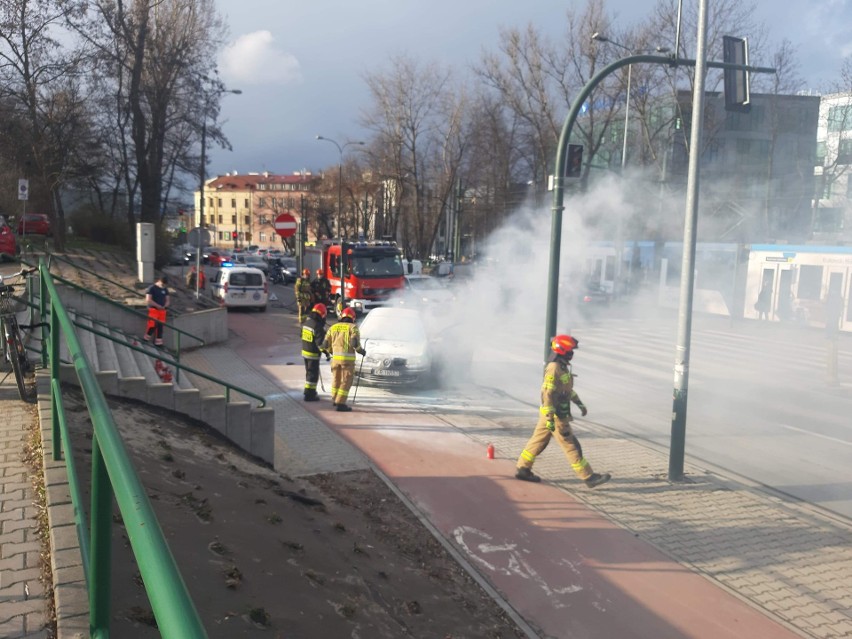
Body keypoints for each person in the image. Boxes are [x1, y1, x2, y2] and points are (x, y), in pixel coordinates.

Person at [515, 334, 611, 489]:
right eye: (570, 351)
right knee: (571, 445)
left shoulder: (562, 367)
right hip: (556, 416)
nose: (572, 354)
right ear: (562, 351)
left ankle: (523, 468)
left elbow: (566, 391)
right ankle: (588, 476)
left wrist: (579, 404)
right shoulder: (554, 369)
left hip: (550, 415)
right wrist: (550, 417)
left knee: (538, 441)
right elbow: (547, 393)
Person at [320, 307, 366, 412]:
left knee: (336, 379)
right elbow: (354, 343)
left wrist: (331, 351)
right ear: (353, 318)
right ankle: (340, 403)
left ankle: (335, 399)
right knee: (346, 381)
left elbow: (325, 344)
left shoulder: (333, 327)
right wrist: (361, 351)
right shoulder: (353, 328)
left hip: (335, 360)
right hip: (347, 360)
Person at [301, 303, 329, 401]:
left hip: (305, 352)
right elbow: (320, 344)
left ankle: (308, 391)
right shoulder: (317, 327)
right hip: (313, 354)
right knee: (313, 375)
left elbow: (301, 335)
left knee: (309, 373)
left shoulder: (306, 323)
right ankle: (310, 395)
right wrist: (326, 353)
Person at [144, 275, 170, 346]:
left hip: (162, 310)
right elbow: (148, 300)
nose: (163, 286)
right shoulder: (151, 288)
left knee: (160, 326)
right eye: (162, 284)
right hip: (154, 309)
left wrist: (165, 306)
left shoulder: (165, 289)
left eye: (165, 285)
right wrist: (157, 306)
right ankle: (146, 339)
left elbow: (167, 300)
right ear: (159, 281)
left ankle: (158, 342)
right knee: (152, 325)